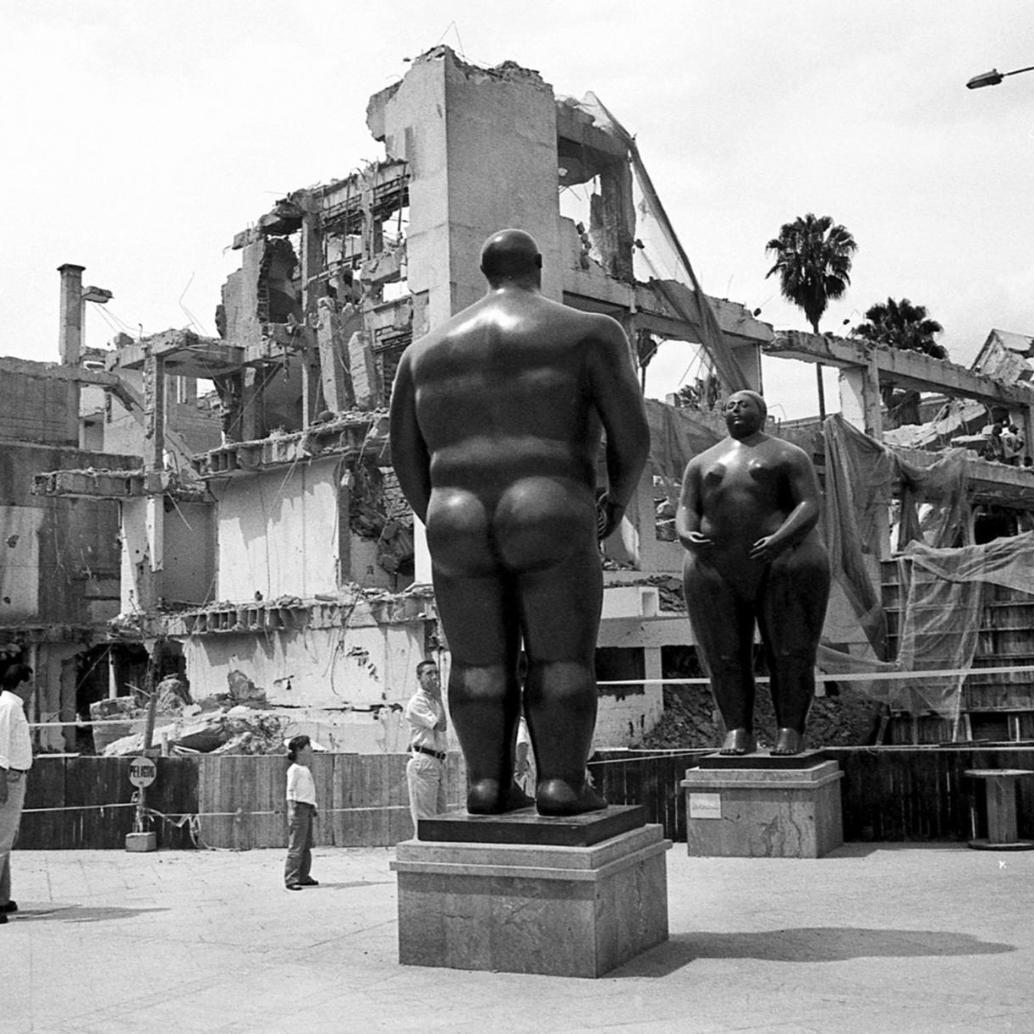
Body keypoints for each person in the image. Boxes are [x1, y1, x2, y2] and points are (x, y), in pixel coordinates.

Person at [390, 229, 650, 816]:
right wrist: (615, 500)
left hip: (454, 512)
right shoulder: (588, 332)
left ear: (484, 273)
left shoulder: (422, 354)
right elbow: (632, 437)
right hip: (549, 501)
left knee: (478, 663)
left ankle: (486, 786)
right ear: (538, 265)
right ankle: (560, 784)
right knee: (560, 659)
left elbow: (404, 454)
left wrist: (435, 512)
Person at [676, 390, 830, 756]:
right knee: (724, 655)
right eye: (729, 406)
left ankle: (790, 729)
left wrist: (781, 539)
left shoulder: (788, 455)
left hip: (784, 562)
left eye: (744, 404)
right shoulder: (702, 462)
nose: (735, 410)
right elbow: (686, 506)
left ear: (762, 413)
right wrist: (685, 533)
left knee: (790, 651)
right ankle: (737, 730)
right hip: (716, 566)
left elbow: (810, 503)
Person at [0, 663, 34, 923]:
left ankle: (3, 898)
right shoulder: (7, 705)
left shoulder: (14, 705)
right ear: (21, 683)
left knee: (6, 840)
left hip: (16, 775)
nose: (33, 688)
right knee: (0, 841)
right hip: (7, 777)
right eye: (30, 683)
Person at [404, 660, 449, 835]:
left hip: (437, 760)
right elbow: (441, 725)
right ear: (419, 677)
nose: (434, 677)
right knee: (425, 818)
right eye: (429, 673)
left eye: (436, 673)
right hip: (424, 760)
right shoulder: (417, 702)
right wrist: (439, 698)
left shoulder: (433, 701)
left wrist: (438, 700)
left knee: (440, 815)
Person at [284, 734, 318, 890]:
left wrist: (313, 805)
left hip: (307, 807)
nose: (310, 748)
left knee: (306, 845)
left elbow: (308, 791)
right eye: (307, 745)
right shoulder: (295, 769)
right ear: (300, 750)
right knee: (296, 845)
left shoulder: (304, 769)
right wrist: (291, 808)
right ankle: (291, 879)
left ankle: (303, 876)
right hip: (298, 808)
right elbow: (290, 790)